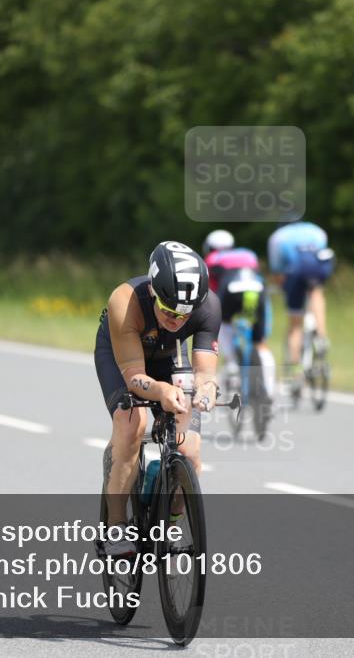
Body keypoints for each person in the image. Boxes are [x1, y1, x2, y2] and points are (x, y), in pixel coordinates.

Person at [95, 241, 221, 557]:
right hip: (123, 356)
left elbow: (205, 373)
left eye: (184, 315)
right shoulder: (125, 300)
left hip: (168, 355)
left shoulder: (208, 306)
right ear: (153, 290)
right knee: (131, 424)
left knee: (189, 448)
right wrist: (163, 391)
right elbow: (135, 378)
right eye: (168, 311)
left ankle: (171, 522)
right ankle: (116, 524)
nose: (176, 320)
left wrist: (205, 391)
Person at [202, 230, 276, 402]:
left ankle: (232, 363)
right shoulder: (247, 254)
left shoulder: (211, 260)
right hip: (256, 293)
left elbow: (210, 293)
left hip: (230, 294)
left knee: (222, 323)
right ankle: (270, 390)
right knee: (261, 344)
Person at [267, 221, 335, 380]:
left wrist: (285, 290)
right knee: (316, 292)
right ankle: (321, 336)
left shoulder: (277, 237)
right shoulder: (316, 230)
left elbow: (278, 272)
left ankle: (295, 370)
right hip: (319, 267)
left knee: (295, 326)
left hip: (297, 271)